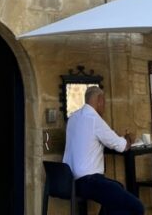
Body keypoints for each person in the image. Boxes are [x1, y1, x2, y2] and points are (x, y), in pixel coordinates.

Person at [62, 85, 145, 215]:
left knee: (117, 188)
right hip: (89, 182)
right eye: (104, 103)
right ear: (99, 100)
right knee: (137, 207)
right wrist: (128, 139)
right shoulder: (94, 119)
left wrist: (114, 136)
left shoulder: (73, 118)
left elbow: (93, 138)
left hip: (69, 180)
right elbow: (121, 146)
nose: (104, 107)